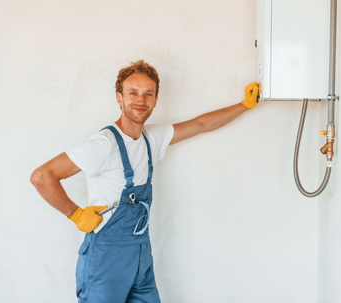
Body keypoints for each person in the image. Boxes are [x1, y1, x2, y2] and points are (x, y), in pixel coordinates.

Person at [30, 59, 259, 303]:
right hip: (106, 258)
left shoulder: (152, 138)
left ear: (156, 100)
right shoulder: (104, 144)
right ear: (119, 98)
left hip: (141, 255)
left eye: (148, 94)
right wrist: (75, 214)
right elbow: (42, 176)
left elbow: (201, 124)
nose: (141, 101)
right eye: (133, 93)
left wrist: (245, 105)